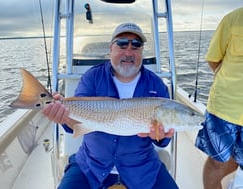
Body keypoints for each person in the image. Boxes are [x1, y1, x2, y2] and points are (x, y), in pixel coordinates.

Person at [42, 23, 178, 189]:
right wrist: (62, 115)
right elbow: (74, 125)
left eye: (136, 45)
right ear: (111, 48)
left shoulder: (156, 84)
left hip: (142, 167)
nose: (128, 52)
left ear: (142, 51)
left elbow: (163, 142)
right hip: (91, 165)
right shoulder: (93, 76)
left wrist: (161, 135)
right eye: (122, 44)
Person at [195, 7, 243, 189]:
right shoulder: (232, 19)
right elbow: (213, 59)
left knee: (239, 161)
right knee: (217, 162)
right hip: (224, 108)